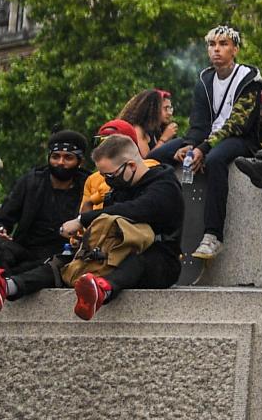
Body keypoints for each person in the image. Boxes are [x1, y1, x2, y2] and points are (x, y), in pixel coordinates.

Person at [63, 132, 185, 320]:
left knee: (138, 260)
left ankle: (104, 291)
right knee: (66, 258)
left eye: (110, 175)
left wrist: (82, 219)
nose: (107, 181)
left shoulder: (164, 186)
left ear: (131, 166)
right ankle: (11, 285)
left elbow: (135, 209)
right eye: (103, 176)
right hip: (117, 252)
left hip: (160, 260)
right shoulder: (119, 189)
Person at [0, 129, 89, 311]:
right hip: (26, 251)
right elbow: (1, 219)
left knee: (59, 266)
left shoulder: (89, 184)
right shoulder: (31, 181)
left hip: (63, 256)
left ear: (80, 161)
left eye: (68, 157)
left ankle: (7, 284)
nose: (60, 162)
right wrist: (0, 230)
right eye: (56, 156)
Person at [180, 27, 262, 260]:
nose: (216, 49)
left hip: (241, 140)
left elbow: (238, 123)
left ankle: (213, 236)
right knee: (163, 155)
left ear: (235, 49)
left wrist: (203, 148)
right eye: (212, 44)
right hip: (208, 140)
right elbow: (198, 122)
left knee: (216, 159)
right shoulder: (204, 80)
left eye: (223, 44)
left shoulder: (249, 78)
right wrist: (190, 145)